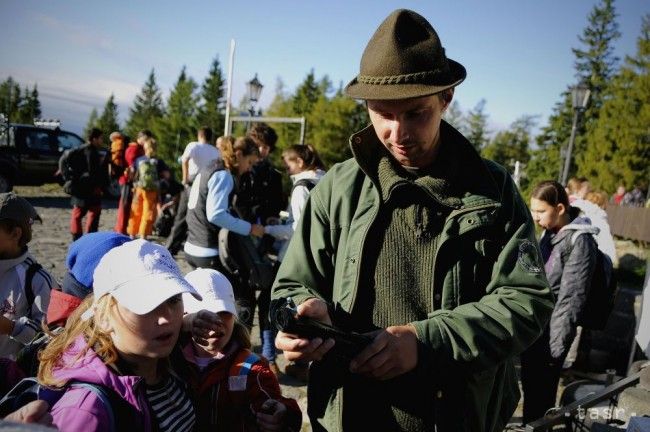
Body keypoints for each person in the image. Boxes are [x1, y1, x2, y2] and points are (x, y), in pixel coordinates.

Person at [270, 9, 553, 432]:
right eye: (383, 113)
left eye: (415, 113)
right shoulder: (337, 188)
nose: (397, 133)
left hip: (455, 416)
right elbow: (292, 284)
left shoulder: (493, 192)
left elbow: (525, 301)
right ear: (366, 105)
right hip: (349, 415)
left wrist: (424, 342)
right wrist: (302, 316)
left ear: (446, 98)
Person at [37, 239, 202, 432]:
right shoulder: (87, 411)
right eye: (145, 303)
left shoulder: (165, 356)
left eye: (173, 299)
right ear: (103, 318)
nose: (167, 318)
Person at [179, 268, 302, 431]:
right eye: (205, 317)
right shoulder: (170, 357)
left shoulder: (251, 368)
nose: (217, 323)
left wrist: (282, 415)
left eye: (224, 313)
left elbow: (271, 402)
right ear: (187, 318)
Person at [522, 180, 599, 424]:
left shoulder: (580, 241)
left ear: (560, 208)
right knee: (531, 390)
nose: (535, 217)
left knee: (542, 395)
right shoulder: (549, 233)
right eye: (533, 210)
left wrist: (555, 348)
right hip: (536, 328)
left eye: (541, 211)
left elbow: (571, 298)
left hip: (553, 332)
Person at [184, 136, 264, 326]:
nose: (250, 168)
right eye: (250, 162)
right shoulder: (223, 175)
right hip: (208, 250)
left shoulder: (210, 166)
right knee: (237, 301)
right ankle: (236, 347)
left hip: (192, 247)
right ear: (239, 155)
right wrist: (250, 228)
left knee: (203, 305)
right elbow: (216, 214)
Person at [264, 144, 326, 380]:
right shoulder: (326, 179)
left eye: (288, 164)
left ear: (299, 162)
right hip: (323, 255)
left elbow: (296, 229)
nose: (286, 169)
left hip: (298, 257)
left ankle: (295, 361)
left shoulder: (301, 187)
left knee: (286, 306)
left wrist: (269, 229)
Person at [0, 192, 56, 359]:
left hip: (9, 379)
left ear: (15, 234)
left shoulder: (36, 279)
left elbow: (50, 339)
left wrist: (10, 327)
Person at [165, 127, 221, 255]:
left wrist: (184, 178)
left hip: (192, 182)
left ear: (199, 135)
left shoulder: (193, 145)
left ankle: (170, 247)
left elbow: (185, 159)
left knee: (182, 216)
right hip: (206, 186)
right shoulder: (215, 151)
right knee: (199, 217)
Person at [59, 127, 110, 241]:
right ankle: (88, 238)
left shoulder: (79, 149)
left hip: (79, 187)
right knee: (93, 212)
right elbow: (94, 172)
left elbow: (63, 160)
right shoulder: (91, 152)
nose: (102, 141)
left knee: (77, 214)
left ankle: (76, 237)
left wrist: (67, 178)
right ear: (94, 139)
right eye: (101, 138)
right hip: (89, 188)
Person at [127, 137, 171, 239]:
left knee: (136, 211)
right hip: (152, 191)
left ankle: (132, 234)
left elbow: (132, 173)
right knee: (148, 213)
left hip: (139, 189)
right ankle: (143, 236)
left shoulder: (139, 159)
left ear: (145, 147)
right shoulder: (159, 161)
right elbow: (167, 175)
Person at [114, 130, 150, 234]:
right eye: (146, 139)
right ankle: (120, 230)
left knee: (129, 206)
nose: (146, 141)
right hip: (127, 181)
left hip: (130, 181)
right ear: (141, 138)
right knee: (124, 206)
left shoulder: (137, 148)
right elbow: (131, 166)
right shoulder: (133, 149)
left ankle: (123, 229)